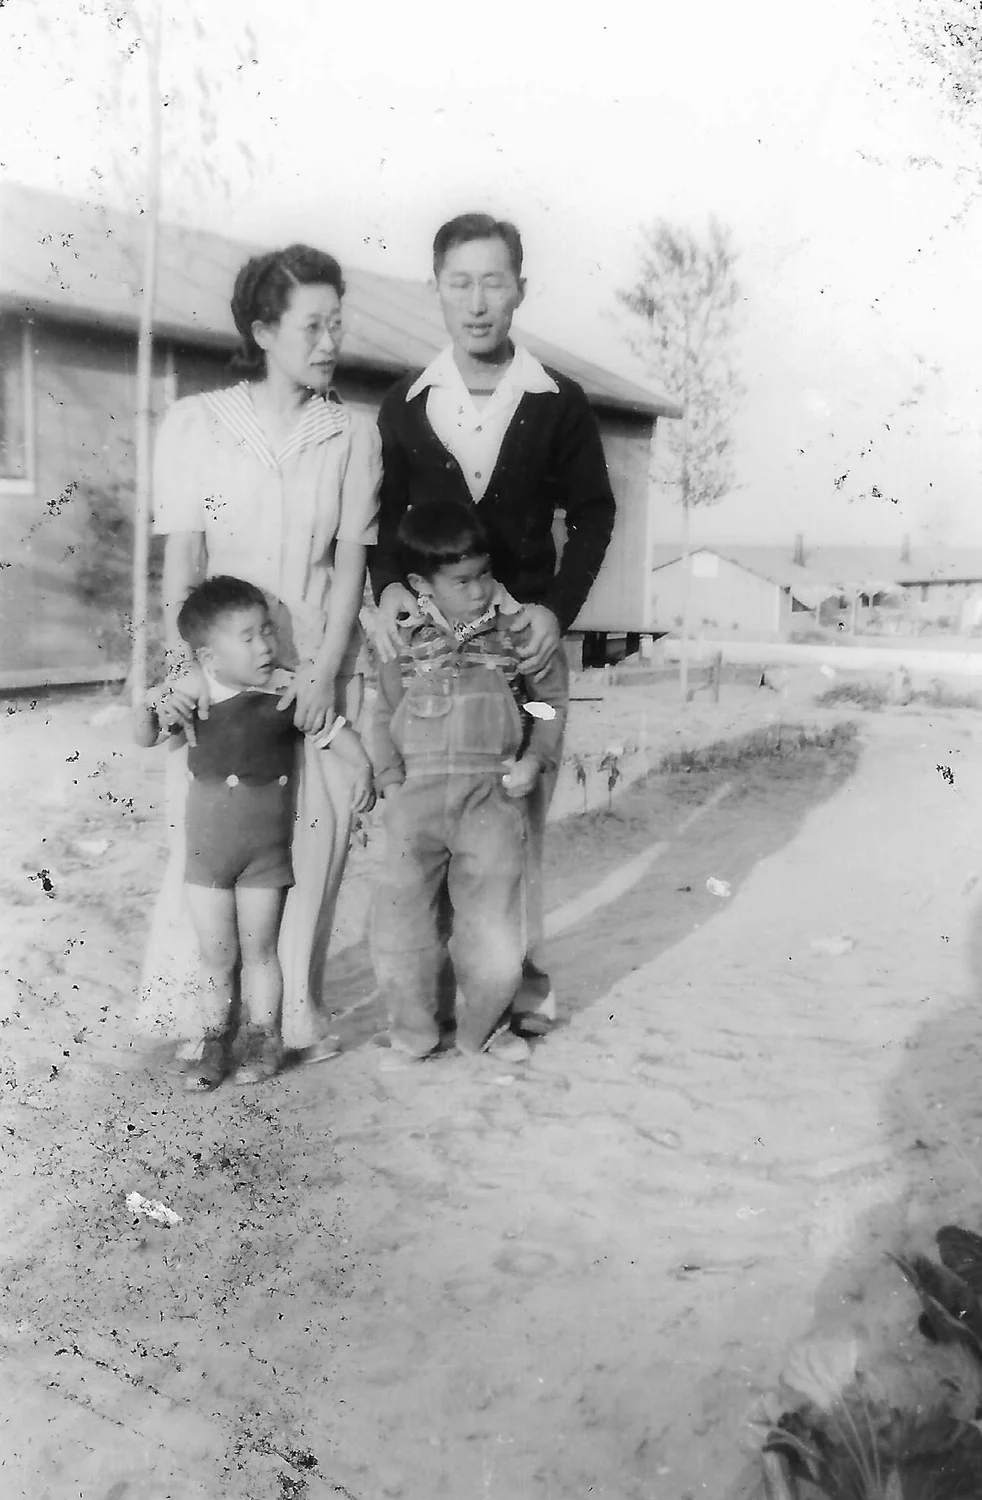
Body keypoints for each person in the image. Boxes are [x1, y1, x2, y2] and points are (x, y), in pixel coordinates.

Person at [369, 212, 616, 1021]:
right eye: (459, 282)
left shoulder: (557, 402)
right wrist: (393, 588)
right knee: (434, 831)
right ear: (436, 289)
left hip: (522, 660)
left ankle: (517, 994)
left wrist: (556, 610)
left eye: (494, 281)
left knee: (516, 819)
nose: (477, 302)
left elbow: (593, 515)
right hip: (437, 665)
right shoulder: (407, 405)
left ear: (520, 289)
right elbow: (382, 520)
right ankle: (443, 998)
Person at [137, 243, 381, 1057]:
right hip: (223, 668)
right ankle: (201, 1019)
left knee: (310, 839)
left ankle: (289, 1017)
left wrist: (319, 672)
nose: (329, 341)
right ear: (263, 330)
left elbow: (350, 563)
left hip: (311, 665)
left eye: (336, 325)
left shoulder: (353, 434)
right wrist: (185, 673)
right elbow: (183, 558)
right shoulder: (198, 424)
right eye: (312, 325)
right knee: (212, 838)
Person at [135, 577, 374, 1089]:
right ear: (209, 655)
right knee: (216, 957)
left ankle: (264, 1041)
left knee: (261, 952)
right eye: (247, 637)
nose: (265, 645)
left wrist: (364, 771)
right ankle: (212, 1043)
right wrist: (151, 705)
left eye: (267, 631)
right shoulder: (195, 690)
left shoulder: (286, 691)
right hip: (207, 857)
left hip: (264, 858)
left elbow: (336, 734)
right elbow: (146, 736)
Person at [370, 500, 568, 1070]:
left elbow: (547, 705)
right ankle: (413, 1031)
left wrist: (533, 758)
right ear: (419, 584)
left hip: (492, 797)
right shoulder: (401, 642)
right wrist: (389, 782)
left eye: (484, 574)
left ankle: (487, 1027)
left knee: (492, 922)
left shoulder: (517, 635)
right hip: (418, 801)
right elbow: (383, 713)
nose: (479, 590)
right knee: (405, 921)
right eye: (461, 581)